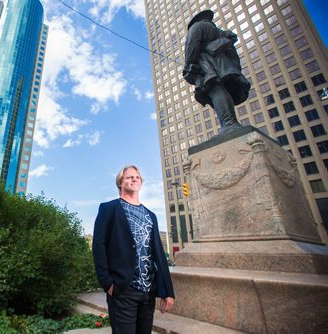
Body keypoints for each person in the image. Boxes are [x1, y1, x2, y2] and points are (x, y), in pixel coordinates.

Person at [92, 165, 175, 333]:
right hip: (123, 290)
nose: (134, 179)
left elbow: (158, 254)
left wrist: (168, 291)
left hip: (148, 292)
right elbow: (98, 247)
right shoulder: (109, 209)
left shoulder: (151, 215)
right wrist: (108, 283)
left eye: (137, 177)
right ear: (120, 183)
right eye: (129, 177)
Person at [183, 9, 251, 134]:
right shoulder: (222, 33)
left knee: (215, 89)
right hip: (226, 65)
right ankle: (229, 122)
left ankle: (229, 123)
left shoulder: (197, 27)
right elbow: (234, 55)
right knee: (220, 89)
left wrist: (187, 66)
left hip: (208, 65)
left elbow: (192, 46)